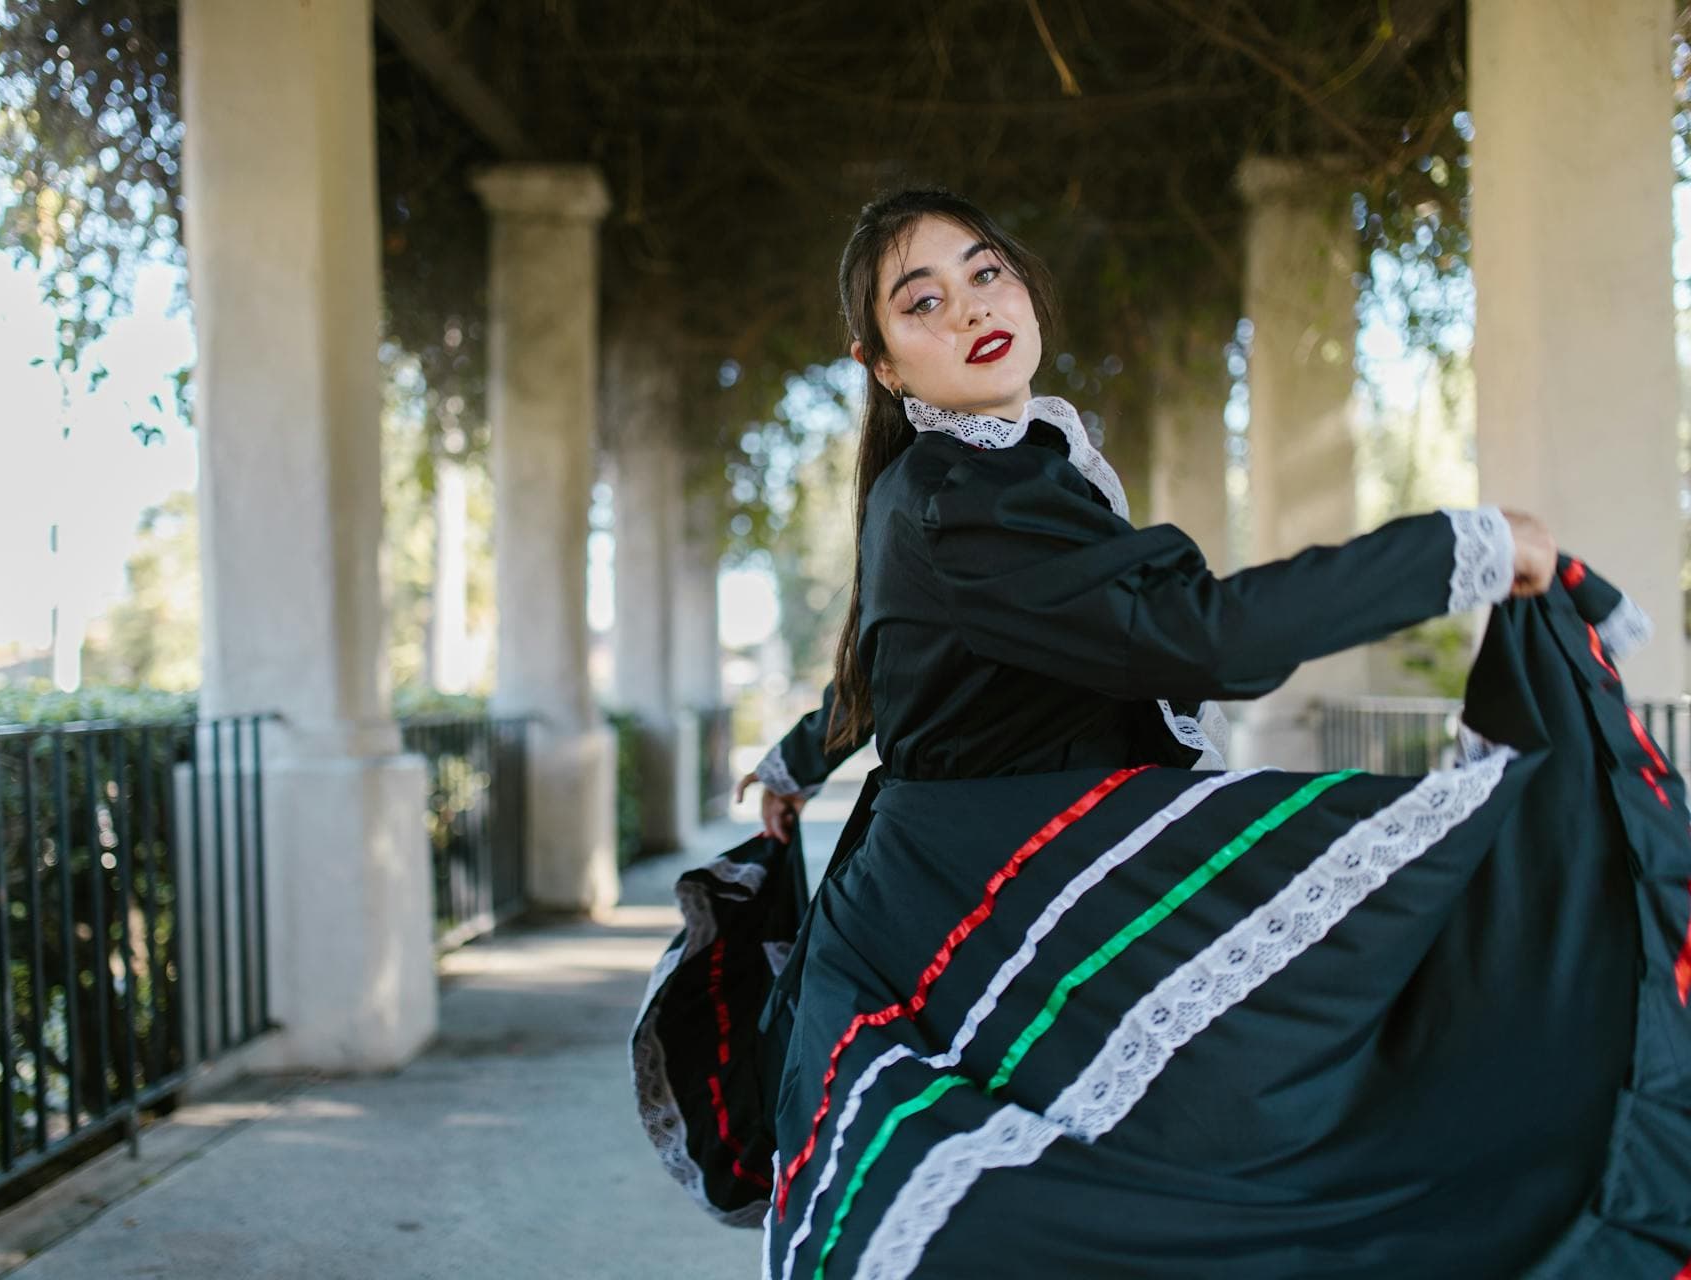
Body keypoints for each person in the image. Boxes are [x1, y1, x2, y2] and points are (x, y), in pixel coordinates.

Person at [636, 188, 1691, 1278]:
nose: (968, 308)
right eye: (924, 301)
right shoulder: (959, 496)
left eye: (984, 271)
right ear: (885, 366)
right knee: (1123, 1191)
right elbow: (1197, 636)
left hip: (984, 874)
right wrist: (1456, 550)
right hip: (981, 904)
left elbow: (894, 655)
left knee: (1167, 1169)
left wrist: (801, 754)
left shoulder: (982, 470)